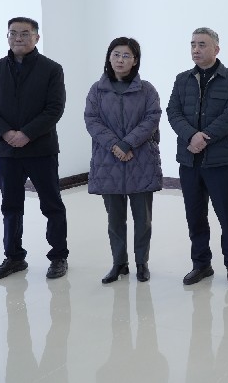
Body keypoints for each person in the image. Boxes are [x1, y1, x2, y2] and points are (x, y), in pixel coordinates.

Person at [0, 17, 69, 280]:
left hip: (41, 149)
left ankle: (59, 256)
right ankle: (14, 257)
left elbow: (55, 108)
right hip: (6, 150)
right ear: (7, 36)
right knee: (10, 207)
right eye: (13, 33)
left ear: (36, 37)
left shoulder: (51, 69)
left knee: (52, 205)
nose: (18, 38)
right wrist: (6, 133)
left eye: (25, 33)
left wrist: (27, 134)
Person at [166, 27, 228, 289]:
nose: (196, 49)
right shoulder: (182, 79)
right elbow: (173, 112)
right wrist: (191, 136)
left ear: (216, 49)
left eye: (202, 44)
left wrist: (205, 137)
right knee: (195, 215)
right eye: (193, 45)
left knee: (227, 216)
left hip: (220, 161)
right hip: (189, 161)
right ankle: (201, 264)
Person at [84, 37, 163, 283]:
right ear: (109, 57)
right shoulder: (97, 90)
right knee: (115, 220)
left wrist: (128, 144)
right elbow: (92, 120)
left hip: (141, 160)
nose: (120, 60)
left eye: (126, 55)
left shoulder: (147, 90)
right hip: (108, 162)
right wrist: (115, 145)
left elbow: (152, 118)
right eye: (116, 54)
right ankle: (119, 264)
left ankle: (142, 263)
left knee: (143, 219)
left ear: (135, 60)